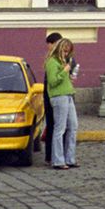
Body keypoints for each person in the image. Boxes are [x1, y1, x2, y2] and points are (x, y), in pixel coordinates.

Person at [46, 37, 78, 170]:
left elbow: (64, 79)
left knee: (73, 126)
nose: (66, 54)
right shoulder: (52, 62)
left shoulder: (64, 61)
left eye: (68, 52)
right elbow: (53, 81)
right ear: (59, 49)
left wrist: (69, 77)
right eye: (64, 51)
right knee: (60, 128)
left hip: (68, 94)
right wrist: (64, 71)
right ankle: (58, 160)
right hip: (58, 97)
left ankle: (70, 158)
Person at [42, 32, 62, 164]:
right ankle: (50, 156)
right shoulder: (50, 60)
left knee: (58, 126)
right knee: (51, 125)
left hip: (58, 95)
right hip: (49, 96)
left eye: (51, 44)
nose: (49, 47)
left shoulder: (62, 58)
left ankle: (55, 155)